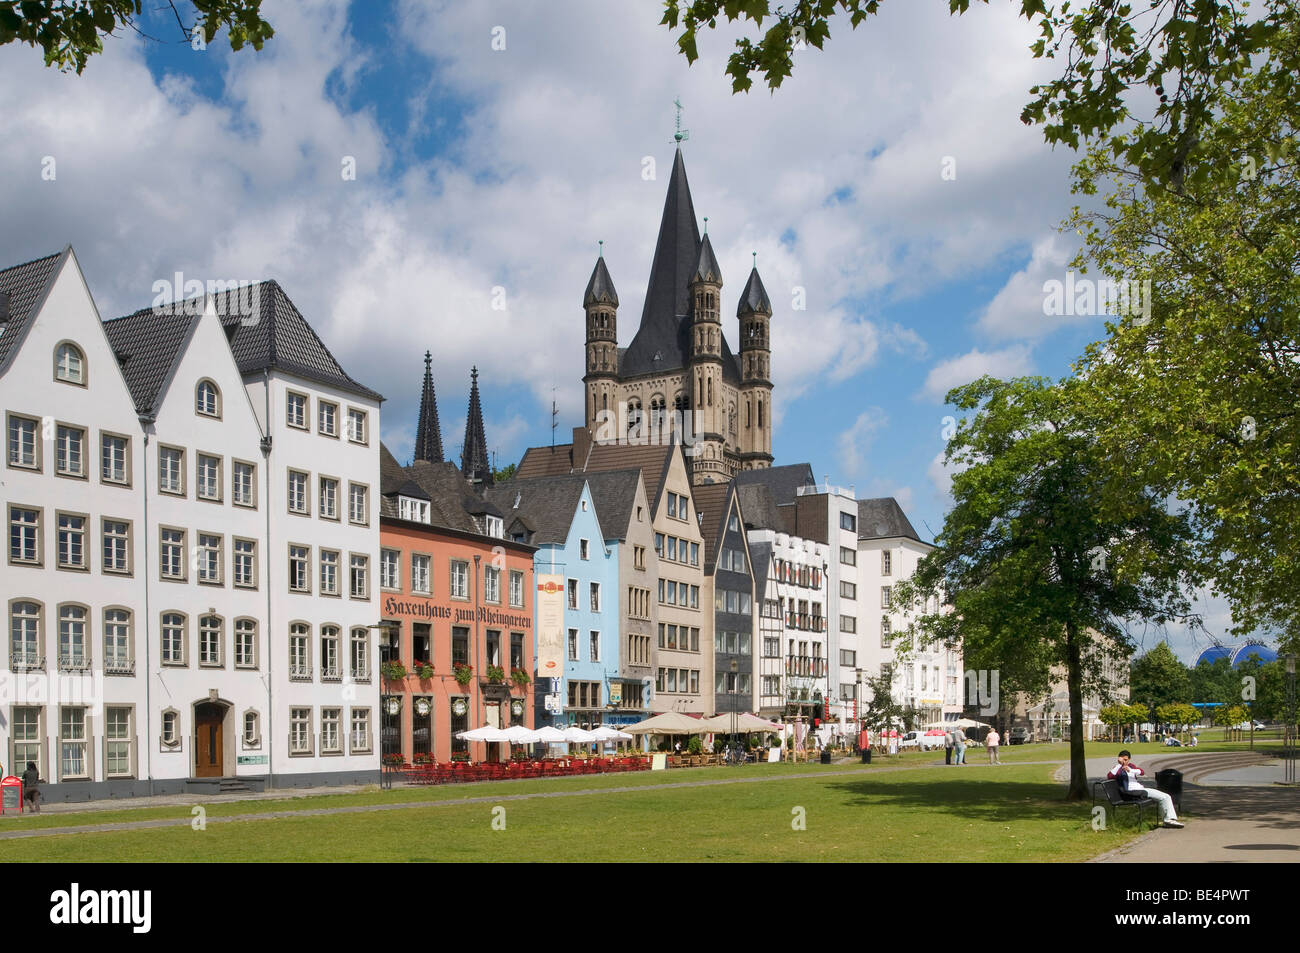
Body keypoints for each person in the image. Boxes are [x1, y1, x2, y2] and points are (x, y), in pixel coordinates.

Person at [1107, 750, 1182, 828]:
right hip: (1132, 792)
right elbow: (1110, 776)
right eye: (1122, 760)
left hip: (1140, 789)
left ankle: (1168, 820)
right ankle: (1168, 820)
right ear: (1119, 759)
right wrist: (1120, 765)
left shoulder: (1131, 766)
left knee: (1166, 796)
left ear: (1129, 759)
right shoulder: (1117, 768)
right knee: (1165, 797)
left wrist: (1130, 770)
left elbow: (1142, 772)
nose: (1124, 762)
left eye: (1126, 760)